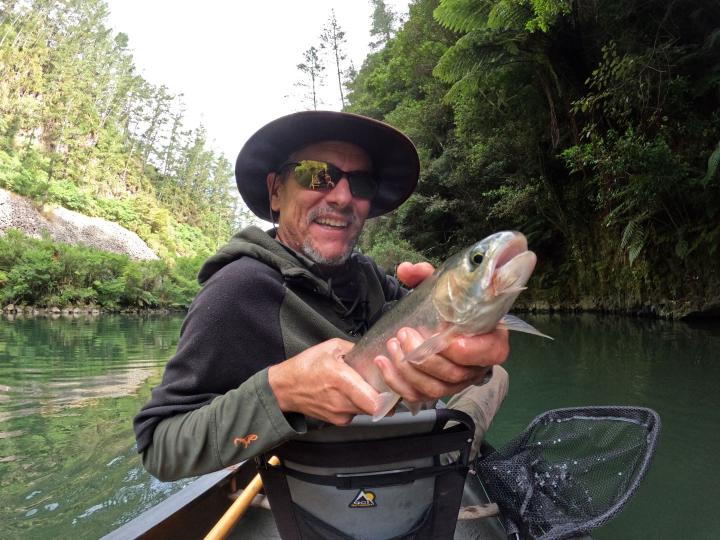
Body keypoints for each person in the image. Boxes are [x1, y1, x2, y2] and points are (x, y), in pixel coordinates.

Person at [134, 111, 510, 481]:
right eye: (317, 175)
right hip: (327, 493)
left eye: (361, 183)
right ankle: (454, 465)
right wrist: (279, 392)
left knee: (495, 377)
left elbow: (433, 340)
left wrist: (460, 335)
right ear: (276, 192)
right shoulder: (236, 292)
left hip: (405, 460)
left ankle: (448, 463)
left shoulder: (368, 277)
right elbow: (160, 446)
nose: (344, 197)